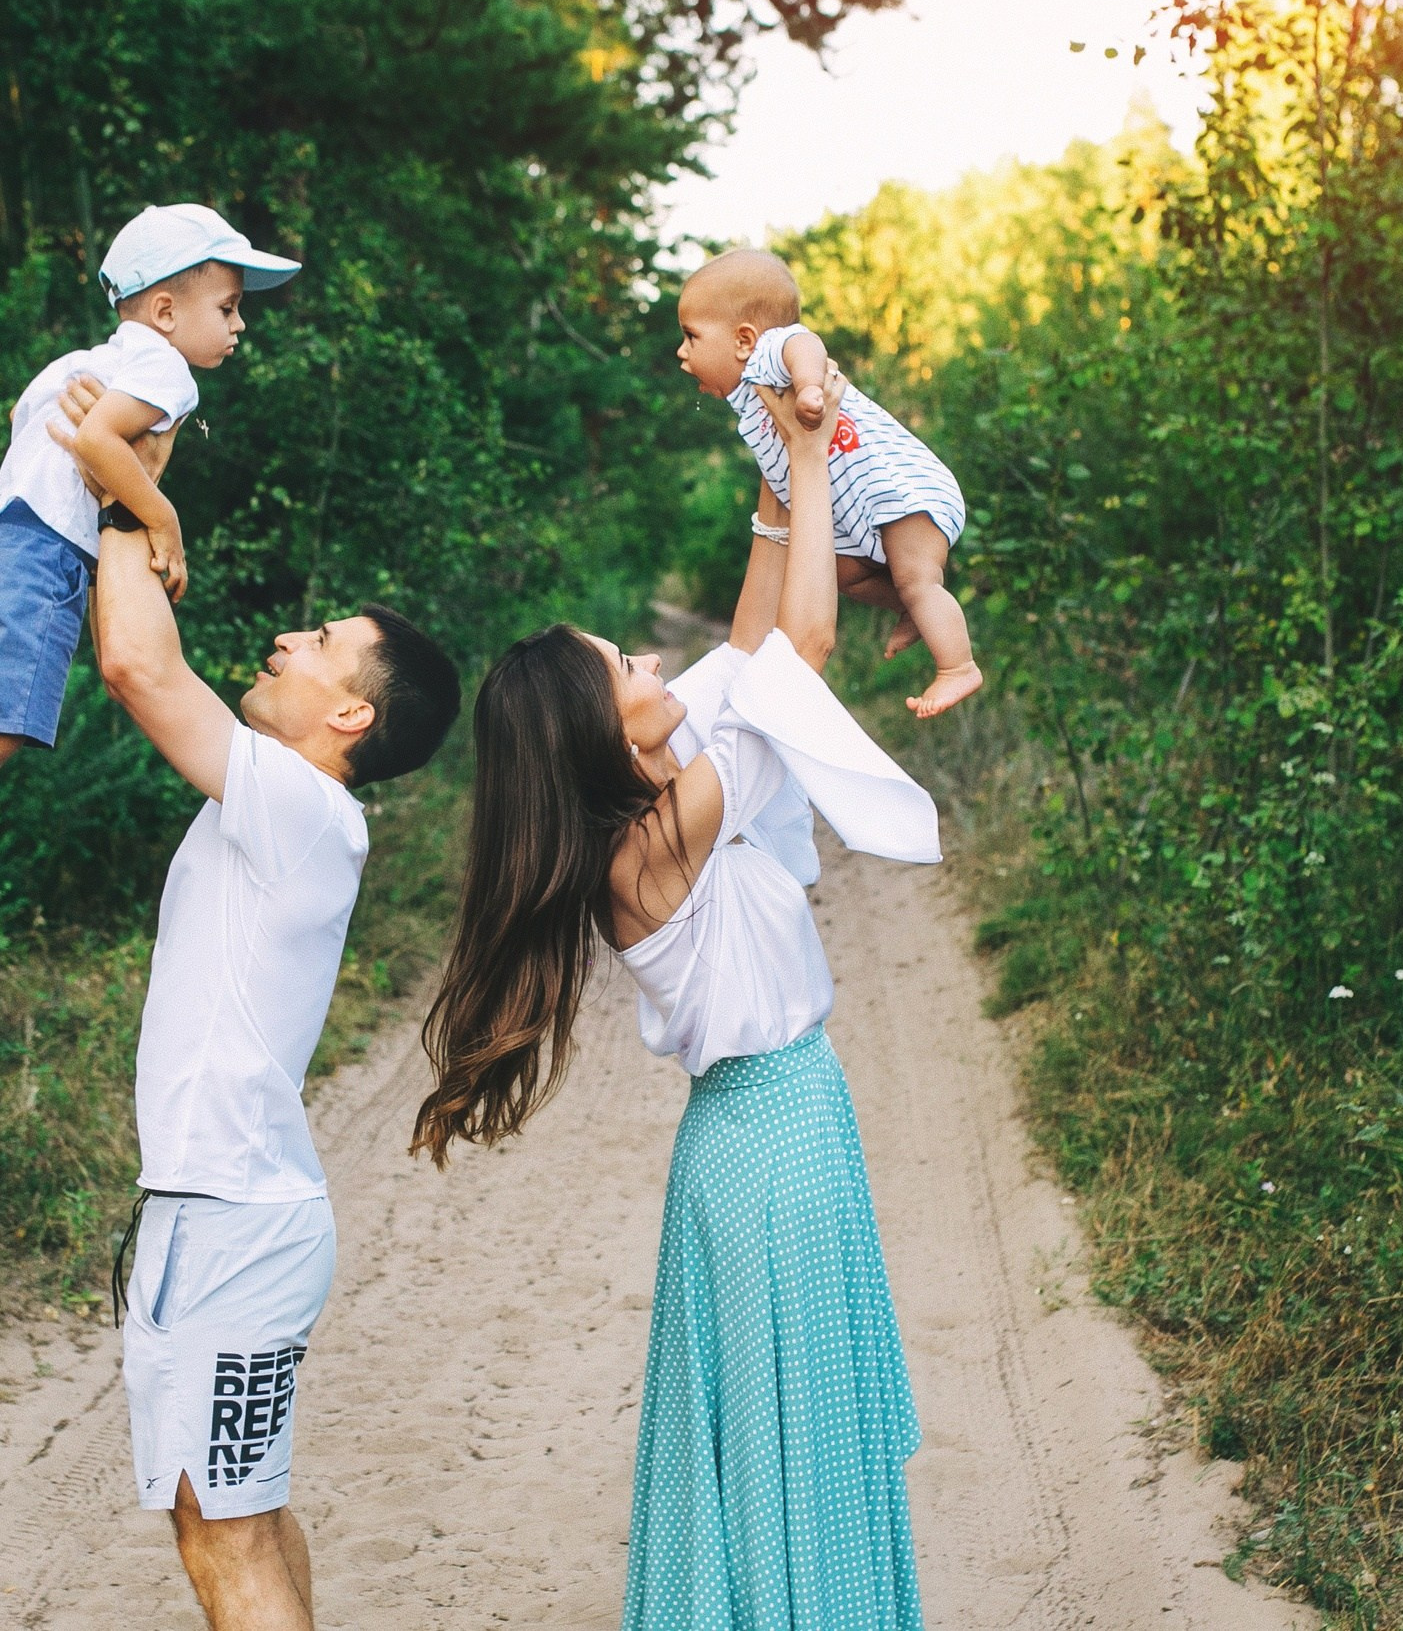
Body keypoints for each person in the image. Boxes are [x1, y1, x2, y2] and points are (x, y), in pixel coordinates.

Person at [415, 368, 937, 1629]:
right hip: (770, 1143)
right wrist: (814, 467)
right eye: (625, 660)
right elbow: (797, 656)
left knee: (781, 1431)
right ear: (602, 727)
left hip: (769, 1135)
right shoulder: (651, 841)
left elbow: (754, 646)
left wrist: (772, 471)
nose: (653, 656)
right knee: (788, 1439)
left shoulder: (660, 787)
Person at [53, 374, 461, 1631]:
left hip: (233, 1224)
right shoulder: (280, 806)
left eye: (318, 643)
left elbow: (132, 661)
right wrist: (126, 490)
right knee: (226, 1516)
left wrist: (127, 487)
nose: (284, 638)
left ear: (350, 712)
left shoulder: (306, 808)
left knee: (222, 1532)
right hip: (208, 1212)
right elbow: (132, 652)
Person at [0, 203, 299, 993]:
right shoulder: (164, 371)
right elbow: (99, 442)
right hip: (44, 556)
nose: (240, 324)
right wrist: (165, 521)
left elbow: (28, 422)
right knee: (1, 728)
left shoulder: (76, 362)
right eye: (229, 306)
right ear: (166, 311)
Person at [675, 246, 983, 719]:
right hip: (865, 517)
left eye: (691, 336)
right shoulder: (752, 404)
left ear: (742, 340)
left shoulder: (769, 358)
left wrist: (811, 387)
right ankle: (919, 609)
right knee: (840, 574)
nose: (682, 352)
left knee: (918, 576)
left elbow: (804, 342)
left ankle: (957, 665)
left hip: (903, 492)